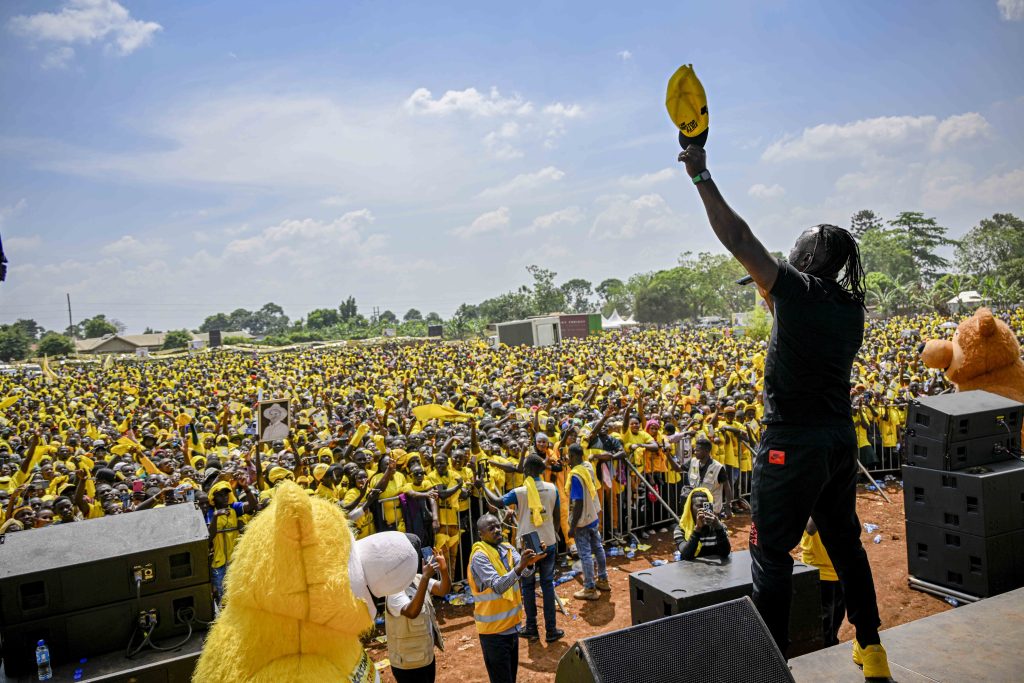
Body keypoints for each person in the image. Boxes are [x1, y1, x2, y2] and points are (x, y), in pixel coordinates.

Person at [680, 143, 889, 678]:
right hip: (839, 442)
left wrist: (702, 175)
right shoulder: (851, 308)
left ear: (810, 258)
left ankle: (771, 668)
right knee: (845, 541)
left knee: (772, 555)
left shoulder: (797, 290)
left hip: (789, 446)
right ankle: (872, 649)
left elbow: (739, 238)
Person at [483, 454, 563, 643]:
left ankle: (532, 628)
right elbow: (557, 516)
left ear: (526, 470)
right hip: (549, 541)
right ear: (542, 471)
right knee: (547, 584)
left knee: (527, 586)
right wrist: (554, 534)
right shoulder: (553, 488)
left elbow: (498, 502)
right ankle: (551, 630)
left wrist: (482, 486)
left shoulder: (520, 491)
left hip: (529, 544)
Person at [468, 513, 541, 683]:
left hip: (512, 628)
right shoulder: (479, 556)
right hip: (494, 633)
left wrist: (531, 561)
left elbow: (527, 573)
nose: (497, 530)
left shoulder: (508, 549)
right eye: (491, 528)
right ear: (481, 534)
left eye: (498, 526)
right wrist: (521, 565)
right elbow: (499, 586)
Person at [385, 535, 451, 683]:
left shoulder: (418, 578)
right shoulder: (394, 589)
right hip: (408, 664)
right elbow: (411, 612)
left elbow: (443, 590)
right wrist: (426, 577)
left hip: (425, 657)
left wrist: (444, 570)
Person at [565, 443, 609, 600]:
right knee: (598, 548)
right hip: (593, 515)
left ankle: (590, 587)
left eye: (569, 456)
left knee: (585, 555)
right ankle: (603, 579)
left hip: (582, 520)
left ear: (574, 456)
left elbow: (578, 503)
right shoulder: (588, 467)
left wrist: (572, 525)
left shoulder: (576, 475)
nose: (568, 459)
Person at [800, 518, 845, 646]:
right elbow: (810, 528)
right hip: (818, 569)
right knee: (823, 624)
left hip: (840, 568)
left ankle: (832, 646)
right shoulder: (808, 498)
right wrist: (823, 498)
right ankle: (824, 652)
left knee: (838, 615)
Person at [673, 487, 730, 560]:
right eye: (699, 506)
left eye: (706, 506)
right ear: (690, 508)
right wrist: (697, 530)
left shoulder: (720, 526)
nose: (703, 509)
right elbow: (686, 555)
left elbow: (725, 553)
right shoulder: (680, 530)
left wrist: (718, 528)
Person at [682, 434, 731, 515]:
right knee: (696, 526)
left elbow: (727, 487)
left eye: (698, 450)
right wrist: (668, 455)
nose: (695, 452)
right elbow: (678, 468)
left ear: (706, 451)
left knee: (710, 525)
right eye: (695, 450)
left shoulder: (718, 467)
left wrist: (728, 506)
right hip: (696, 506)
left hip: (712, 506)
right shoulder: (693, 461)